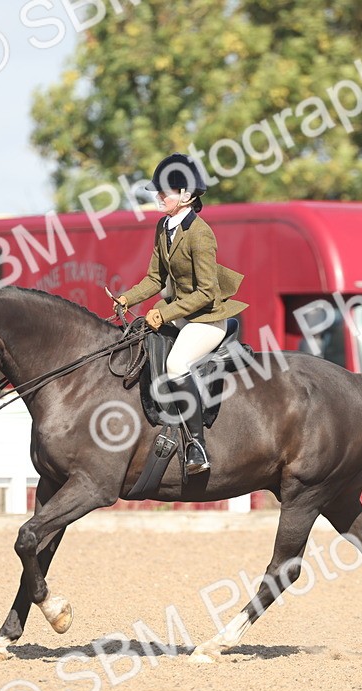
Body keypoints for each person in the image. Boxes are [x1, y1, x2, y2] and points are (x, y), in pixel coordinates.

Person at [114, 153, 247, 474]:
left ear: (186, 196)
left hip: (207, 319)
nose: (158, 196)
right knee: (138, 340)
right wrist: (128, 298)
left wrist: (164, 313)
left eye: (165, 191)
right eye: (157, 191)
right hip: (181, 315)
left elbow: (206, 292)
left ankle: (196, 447)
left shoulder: (200, 234)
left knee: (176, 365)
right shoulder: (164, 226)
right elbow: (155, 279)